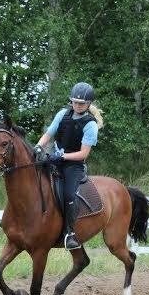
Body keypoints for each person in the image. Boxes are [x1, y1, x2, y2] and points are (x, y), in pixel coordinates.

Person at [34, 82, 104, 250]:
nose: (78, 105)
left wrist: (62, 156)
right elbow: (48, 134)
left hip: (74, 166)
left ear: (88, 104)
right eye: (75, 102)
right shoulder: (62, 114)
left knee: (68, 195)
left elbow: (83, 154)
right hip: (55, 159)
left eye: (81, 103)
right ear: (71, 101)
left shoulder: (90, 125)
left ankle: (69, 233)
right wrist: (38, 147)